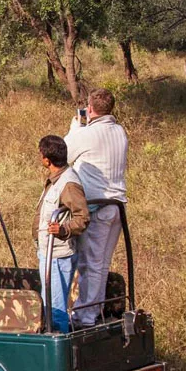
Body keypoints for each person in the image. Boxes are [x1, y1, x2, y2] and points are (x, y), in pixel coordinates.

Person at [65, 88, 128, 328]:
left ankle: (85, 316)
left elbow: (63, 153)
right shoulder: (119, 131)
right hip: (116, 206)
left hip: (97, 207)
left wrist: (76, 127)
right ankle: (94, 310)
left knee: (90, 264)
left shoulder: (87, 134)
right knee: (100, 264)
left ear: (90, 108)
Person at [34, 135, 90, 333]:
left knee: (55, 310)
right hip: (50, 253)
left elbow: (83, 217)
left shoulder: (69, 183)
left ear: (47, 160)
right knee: (50, 306)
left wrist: (64, 229)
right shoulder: (57, 179)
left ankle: (60, 347)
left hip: (58, 255)